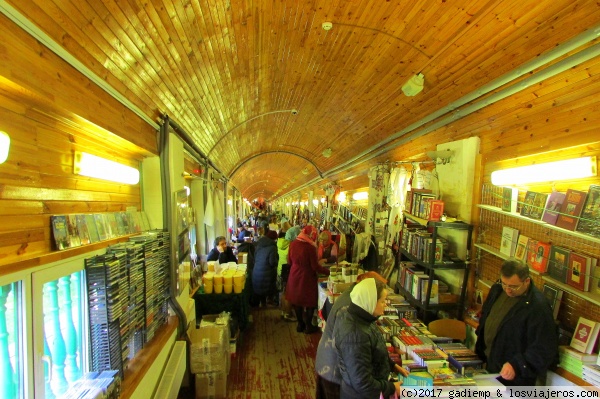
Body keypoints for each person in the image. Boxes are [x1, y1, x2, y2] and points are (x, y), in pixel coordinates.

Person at [316, 272, 399, 399]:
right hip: (333, 369)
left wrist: (391, 365)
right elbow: (361, 381)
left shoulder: (359, 306)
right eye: (381, 300)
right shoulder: (353, 321)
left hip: (345, 372)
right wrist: (391, 388)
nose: (385, 304)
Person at [475, 259, 558, 386]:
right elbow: (486, 316)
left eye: (513, 286)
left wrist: (517, 365)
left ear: (527, 281)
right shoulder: (497, 289)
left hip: (515, 378)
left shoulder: (538, 307)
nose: (508, 290)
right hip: (490, 365)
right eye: (504, 284)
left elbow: (544, 348)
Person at [286, 225, 330, 334]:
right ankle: (308, 326)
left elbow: (289, 261)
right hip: (307, 277)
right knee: (310, 302)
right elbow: (315, 266)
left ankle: (300, 324)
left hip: (294, 275)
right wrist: (328, 272)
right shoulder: (310, 247)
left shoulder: (293, 243)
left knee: (297, 301)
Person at [252, 226, 279, 307]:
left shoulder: (259, 244)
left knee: (261, 291)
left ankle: (262, 304)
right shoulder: (272, 247)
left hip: (256, 273)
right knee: (269, 288)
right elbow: (272, 262)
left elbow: (255, 258)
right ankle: (269, 303)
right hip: (266, 276)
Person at [277, 222, 296, 321]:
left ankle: (283, 311)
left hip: (280, 268)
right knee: (288, 293)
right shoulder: (290, 244)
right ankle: (288, 314)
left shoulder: (279, 241)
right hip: (288, 268)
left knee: (283, 292)